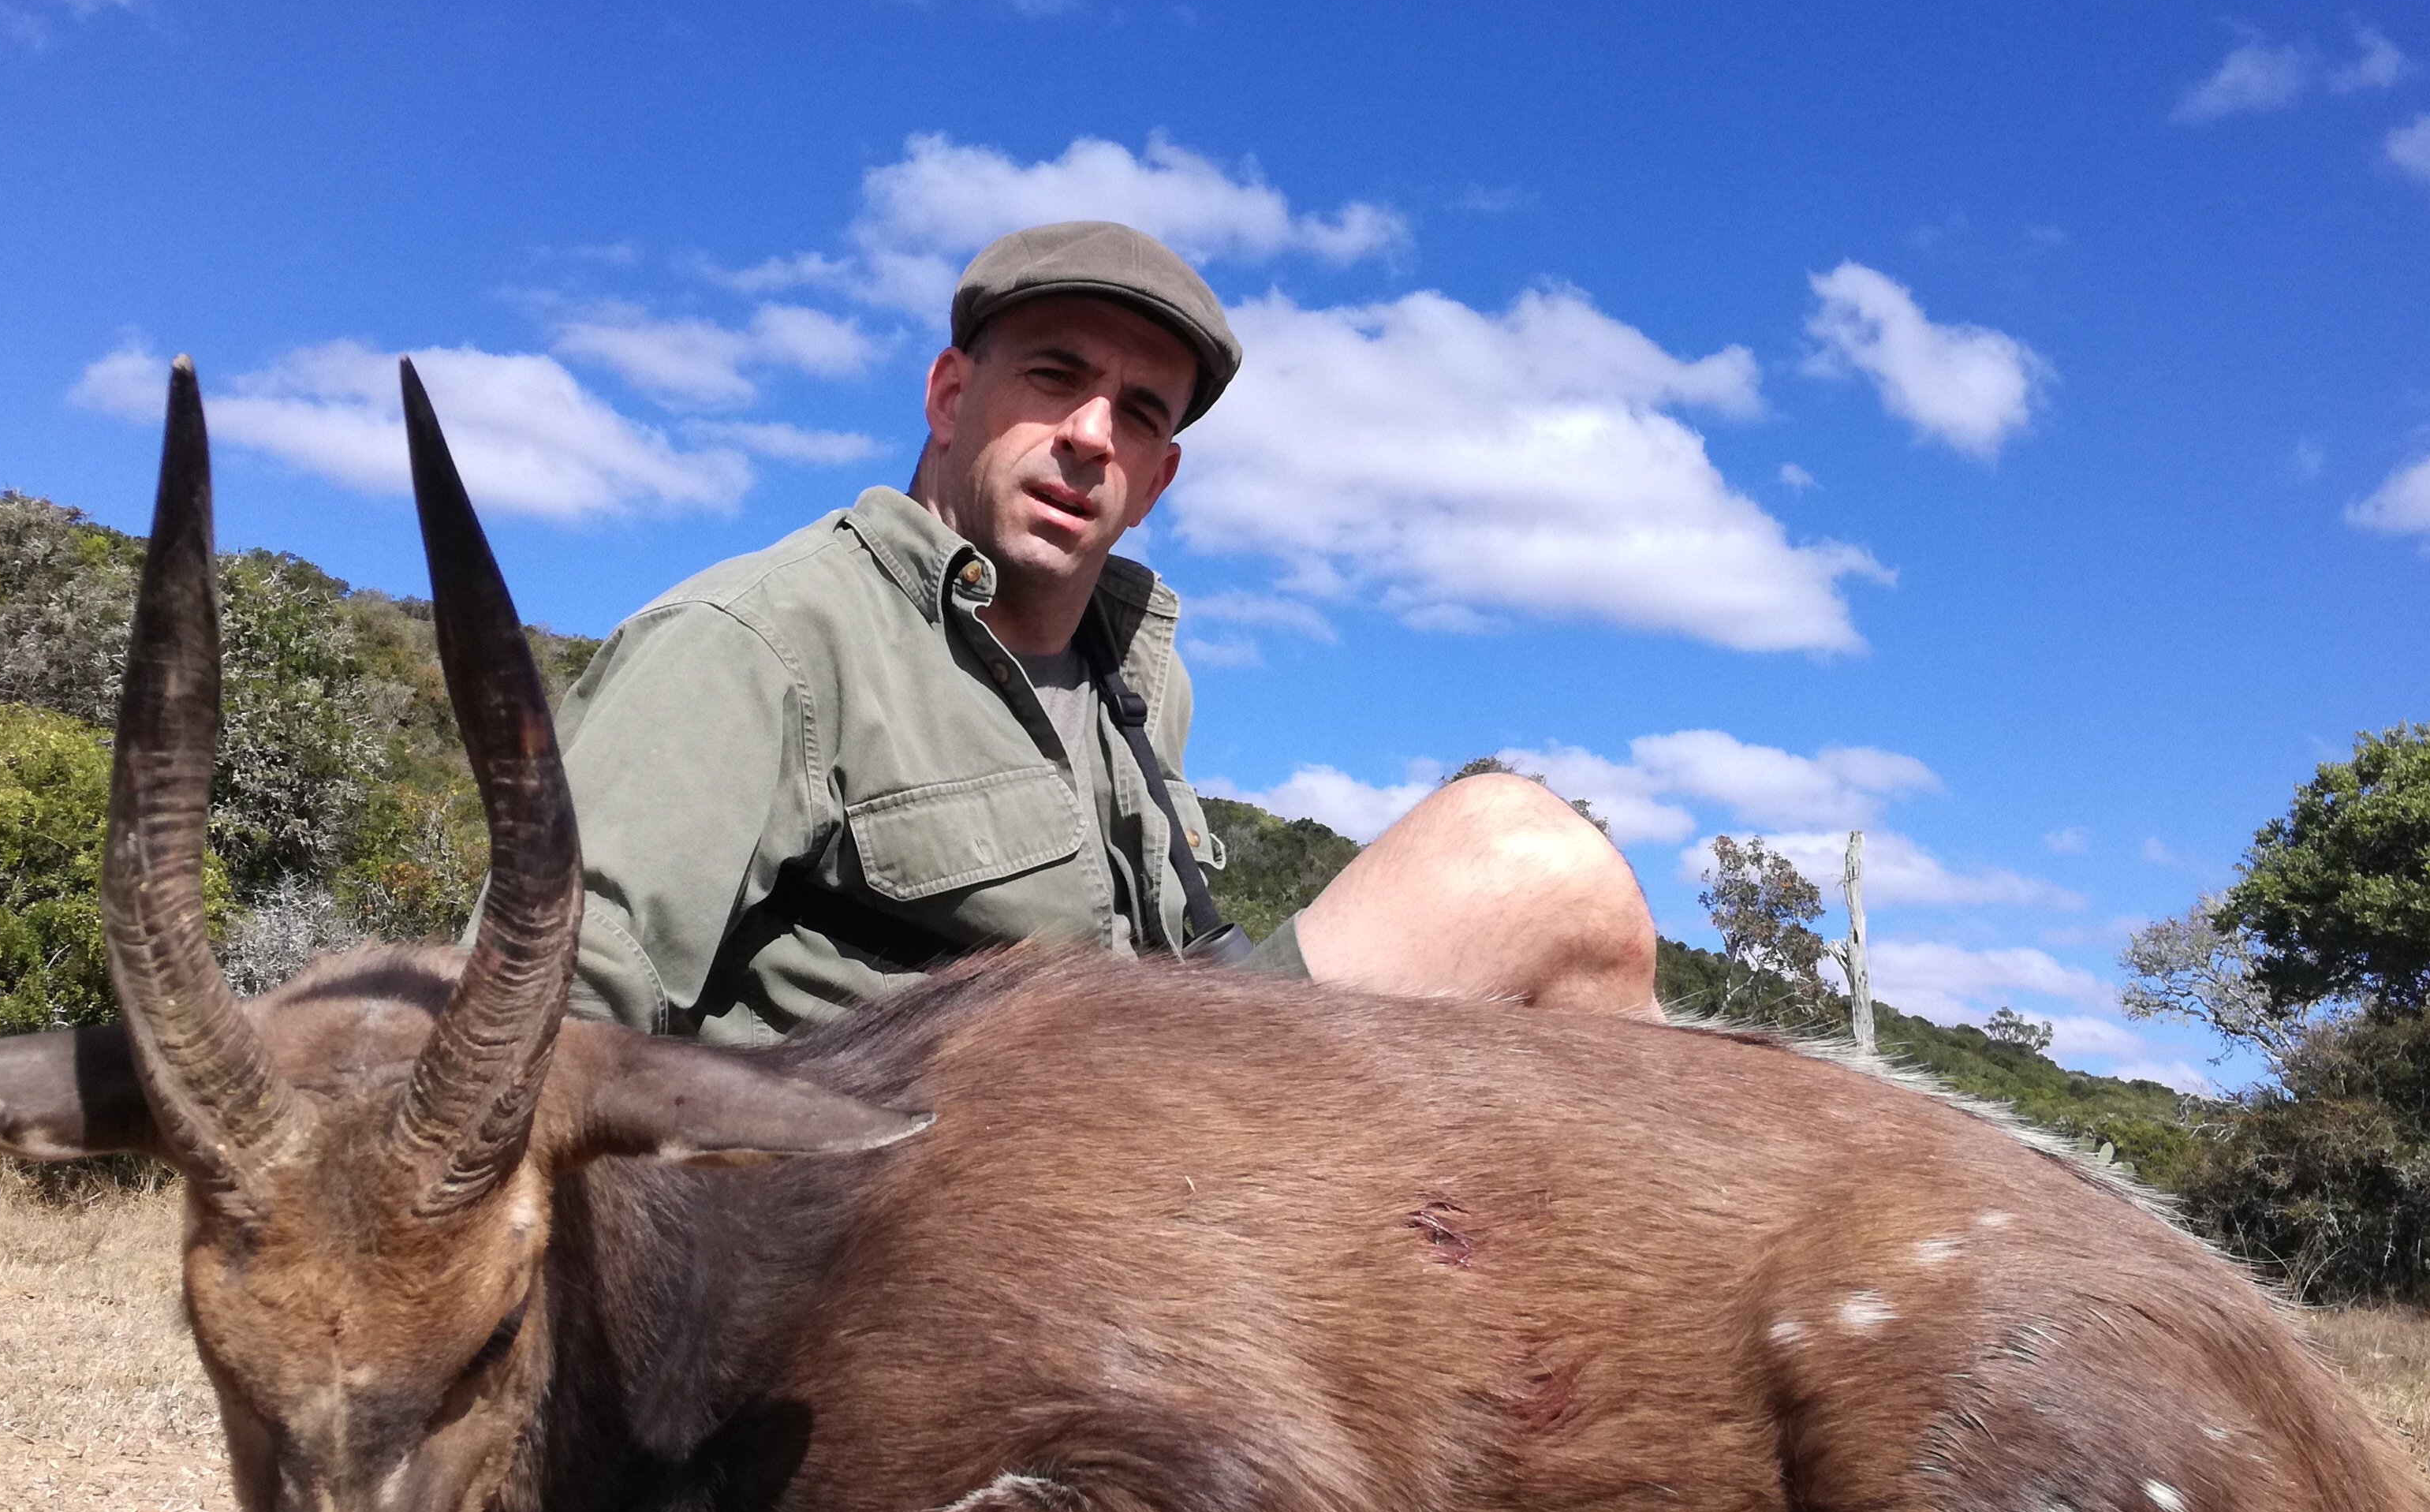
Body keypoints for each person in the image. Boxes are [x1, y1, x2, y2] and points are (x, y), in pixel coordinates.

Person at [554, 218, 1659, 1046]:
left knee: (1558, 906)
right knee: (1520, 854)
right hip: (902, 1231)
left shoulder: (1135, 681)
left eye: (1141, 412)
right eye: (1055, 377)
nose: (1092, 434)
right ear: (948, 396)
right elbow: (544, 1024)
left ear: (1160, 478)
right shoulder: (761, 641)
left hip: (1146, 1151)